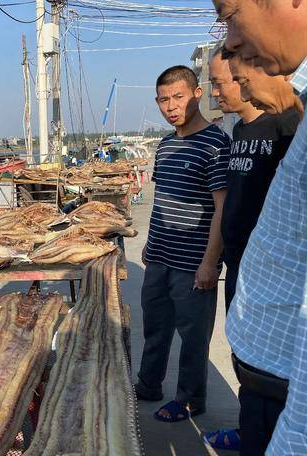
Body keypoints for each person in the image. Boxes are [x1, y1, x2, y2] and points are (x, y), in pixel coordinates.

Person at [212, 0, 307, 454]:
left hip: (287, 376)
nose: (232, 41)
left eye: (231, 15)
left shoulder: (289, 125)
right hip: (267, 349)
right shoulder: (242, 133)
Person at [135, 65, 230, 423]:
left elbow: (222, 208)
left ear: (196, 94)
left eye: (178, 96)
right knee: (155, 327)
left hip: (193, 262)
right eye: (163, 99)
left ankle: (190, 400)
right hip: (159, 256)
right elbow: (162, 198)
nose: (171, 106)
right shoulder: (164, 145)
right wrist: (150, 242)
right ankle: (148, 385)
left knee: (193, 337)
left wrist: (210, 262)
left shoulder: (217, 144)